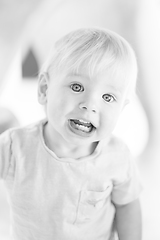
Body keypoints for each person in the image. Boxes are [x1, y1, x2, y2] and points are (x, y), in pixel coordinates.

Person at [0, 27, 142, 240]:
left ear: (121, 109)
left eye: (108, 97)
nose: (90, 105)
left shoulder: (117, 157)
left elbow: (127, 206)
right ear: (44, 90)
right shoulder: (14, 147)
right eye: (77, 87)